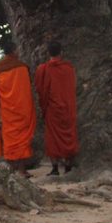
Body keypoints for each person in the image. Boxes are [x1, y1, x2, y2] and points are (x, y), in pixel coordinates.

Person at [0, 42, 37, 175]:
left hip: (7, 110)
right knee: (22, 139)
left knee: (10, 139)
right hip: (22, 108)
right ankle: (22, 169)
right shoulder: (22, 68)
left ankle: (12, 169)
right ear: (14, 51)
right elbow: (26, 89)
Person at [35, 41, 79, 175]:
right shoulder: (69, 69)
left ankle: (54, 167)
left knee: (52, 139)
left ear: (48, 53)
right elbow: (72, 88)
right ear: (61, 52)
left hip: (52, 109)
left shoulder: (43, 69)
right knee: (69, 136)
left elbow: (40, 90)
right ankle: (68, 166)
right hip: (67, 107)